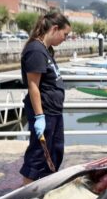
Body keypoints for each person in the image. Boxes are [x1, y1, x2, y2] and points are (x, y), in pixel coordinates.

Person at [19, 12, 71, 185]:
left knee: (55, 152)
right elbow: (33, 85)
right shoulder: (35, 50)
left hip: (54, 111)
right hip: (45, 112)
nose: (65, 39)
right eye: (65, 34)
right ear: (55, 29)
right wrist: (39, 116)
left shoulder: (46, 50)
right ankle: (25, 195)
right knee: (38, 155)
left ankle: (45, 189)